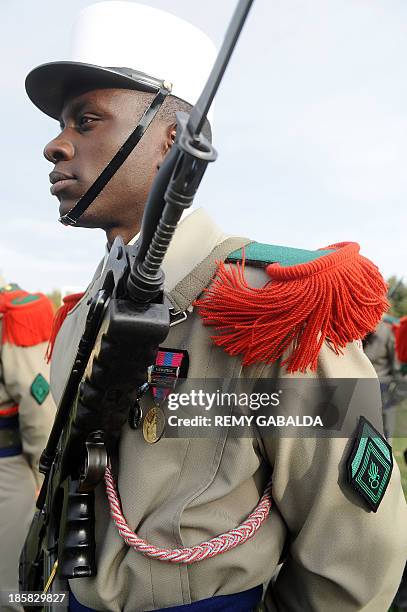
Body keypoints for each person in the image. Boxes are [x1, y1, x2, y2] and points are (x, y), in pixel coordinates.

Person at [25, 2, 407, 611]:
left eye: (86, 120)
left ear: (172, 140)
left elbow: (352, 548)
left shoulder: (270, 305)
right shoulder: (79, 318)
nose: (54, 145)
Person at [0, 277, 55, 611]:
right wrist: (42, 479)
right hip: (9, 471)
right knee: (12, 589)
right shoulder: (13, 317)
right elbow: (39, 407)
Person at [363, 318, 399, 438]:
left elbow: (395, 362)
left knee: (384, 422)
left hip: (381, 383)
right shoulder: (358, 327)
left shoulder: (386, 331)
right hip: (362, 383)